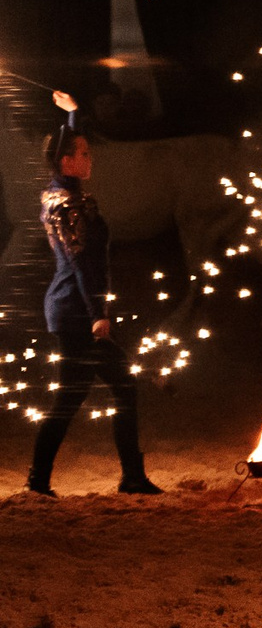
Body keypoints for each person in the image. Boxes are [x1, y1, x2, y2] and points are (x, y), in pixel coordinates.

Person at [27, 94, 158, 497]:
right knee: (116, 386)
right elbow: (84, 265)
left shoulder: (59, 194)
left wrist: (71, 113)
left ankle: (42, 480)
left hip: (70, 307)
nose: (89, 157)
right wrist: (97, 314)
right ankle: (129, 478)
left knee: (76, 396)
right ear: (67, 162)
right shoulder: (69, 206)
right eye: (82, 152)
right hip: (76, 310)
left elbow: (63, 144)